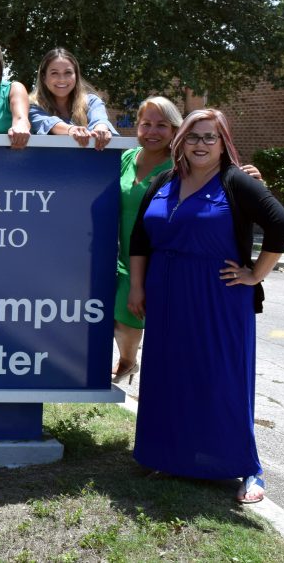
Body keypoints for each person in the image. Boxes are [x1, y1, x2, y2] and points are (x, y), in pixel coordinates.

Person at [127, 109, 284, 504]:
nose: (200, 144)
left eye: (209, 137)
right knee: (169, 375)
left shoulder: (236, 181)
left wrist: (256, 274)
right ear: (180, 141)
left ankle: (249, 469)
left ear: (223, 143)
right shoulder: (165, 180)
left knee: (222, 380)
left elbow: (280, 224)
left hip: (217, 296)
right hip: (166, 293)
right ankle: (172, 456)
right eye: (193, 136)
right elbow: (139, 239)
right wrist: (136, 287)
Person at [110, 97, 181, 382]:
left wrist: (247, 175)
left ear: (175, 129)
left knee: (136, 309)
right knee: (121, 312)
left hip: (156, 252)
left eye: (161, 125)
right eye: (146, 124)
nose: (152, 131)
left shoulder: (180, 164)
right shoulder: (127, 157)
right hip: (121, 251)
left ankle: (135, 363)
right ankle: (128, 360)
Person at [28, 48, 116, 150]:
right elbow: (48, 123)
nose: (62, 79)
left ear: (76, 75)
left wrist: (100, 130)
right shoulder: (32, 105)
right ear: (44, 77)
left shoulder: (92, 101)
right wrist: (72, 130)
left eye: (68, 72)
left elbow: (100, 120)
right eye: (54, 73)